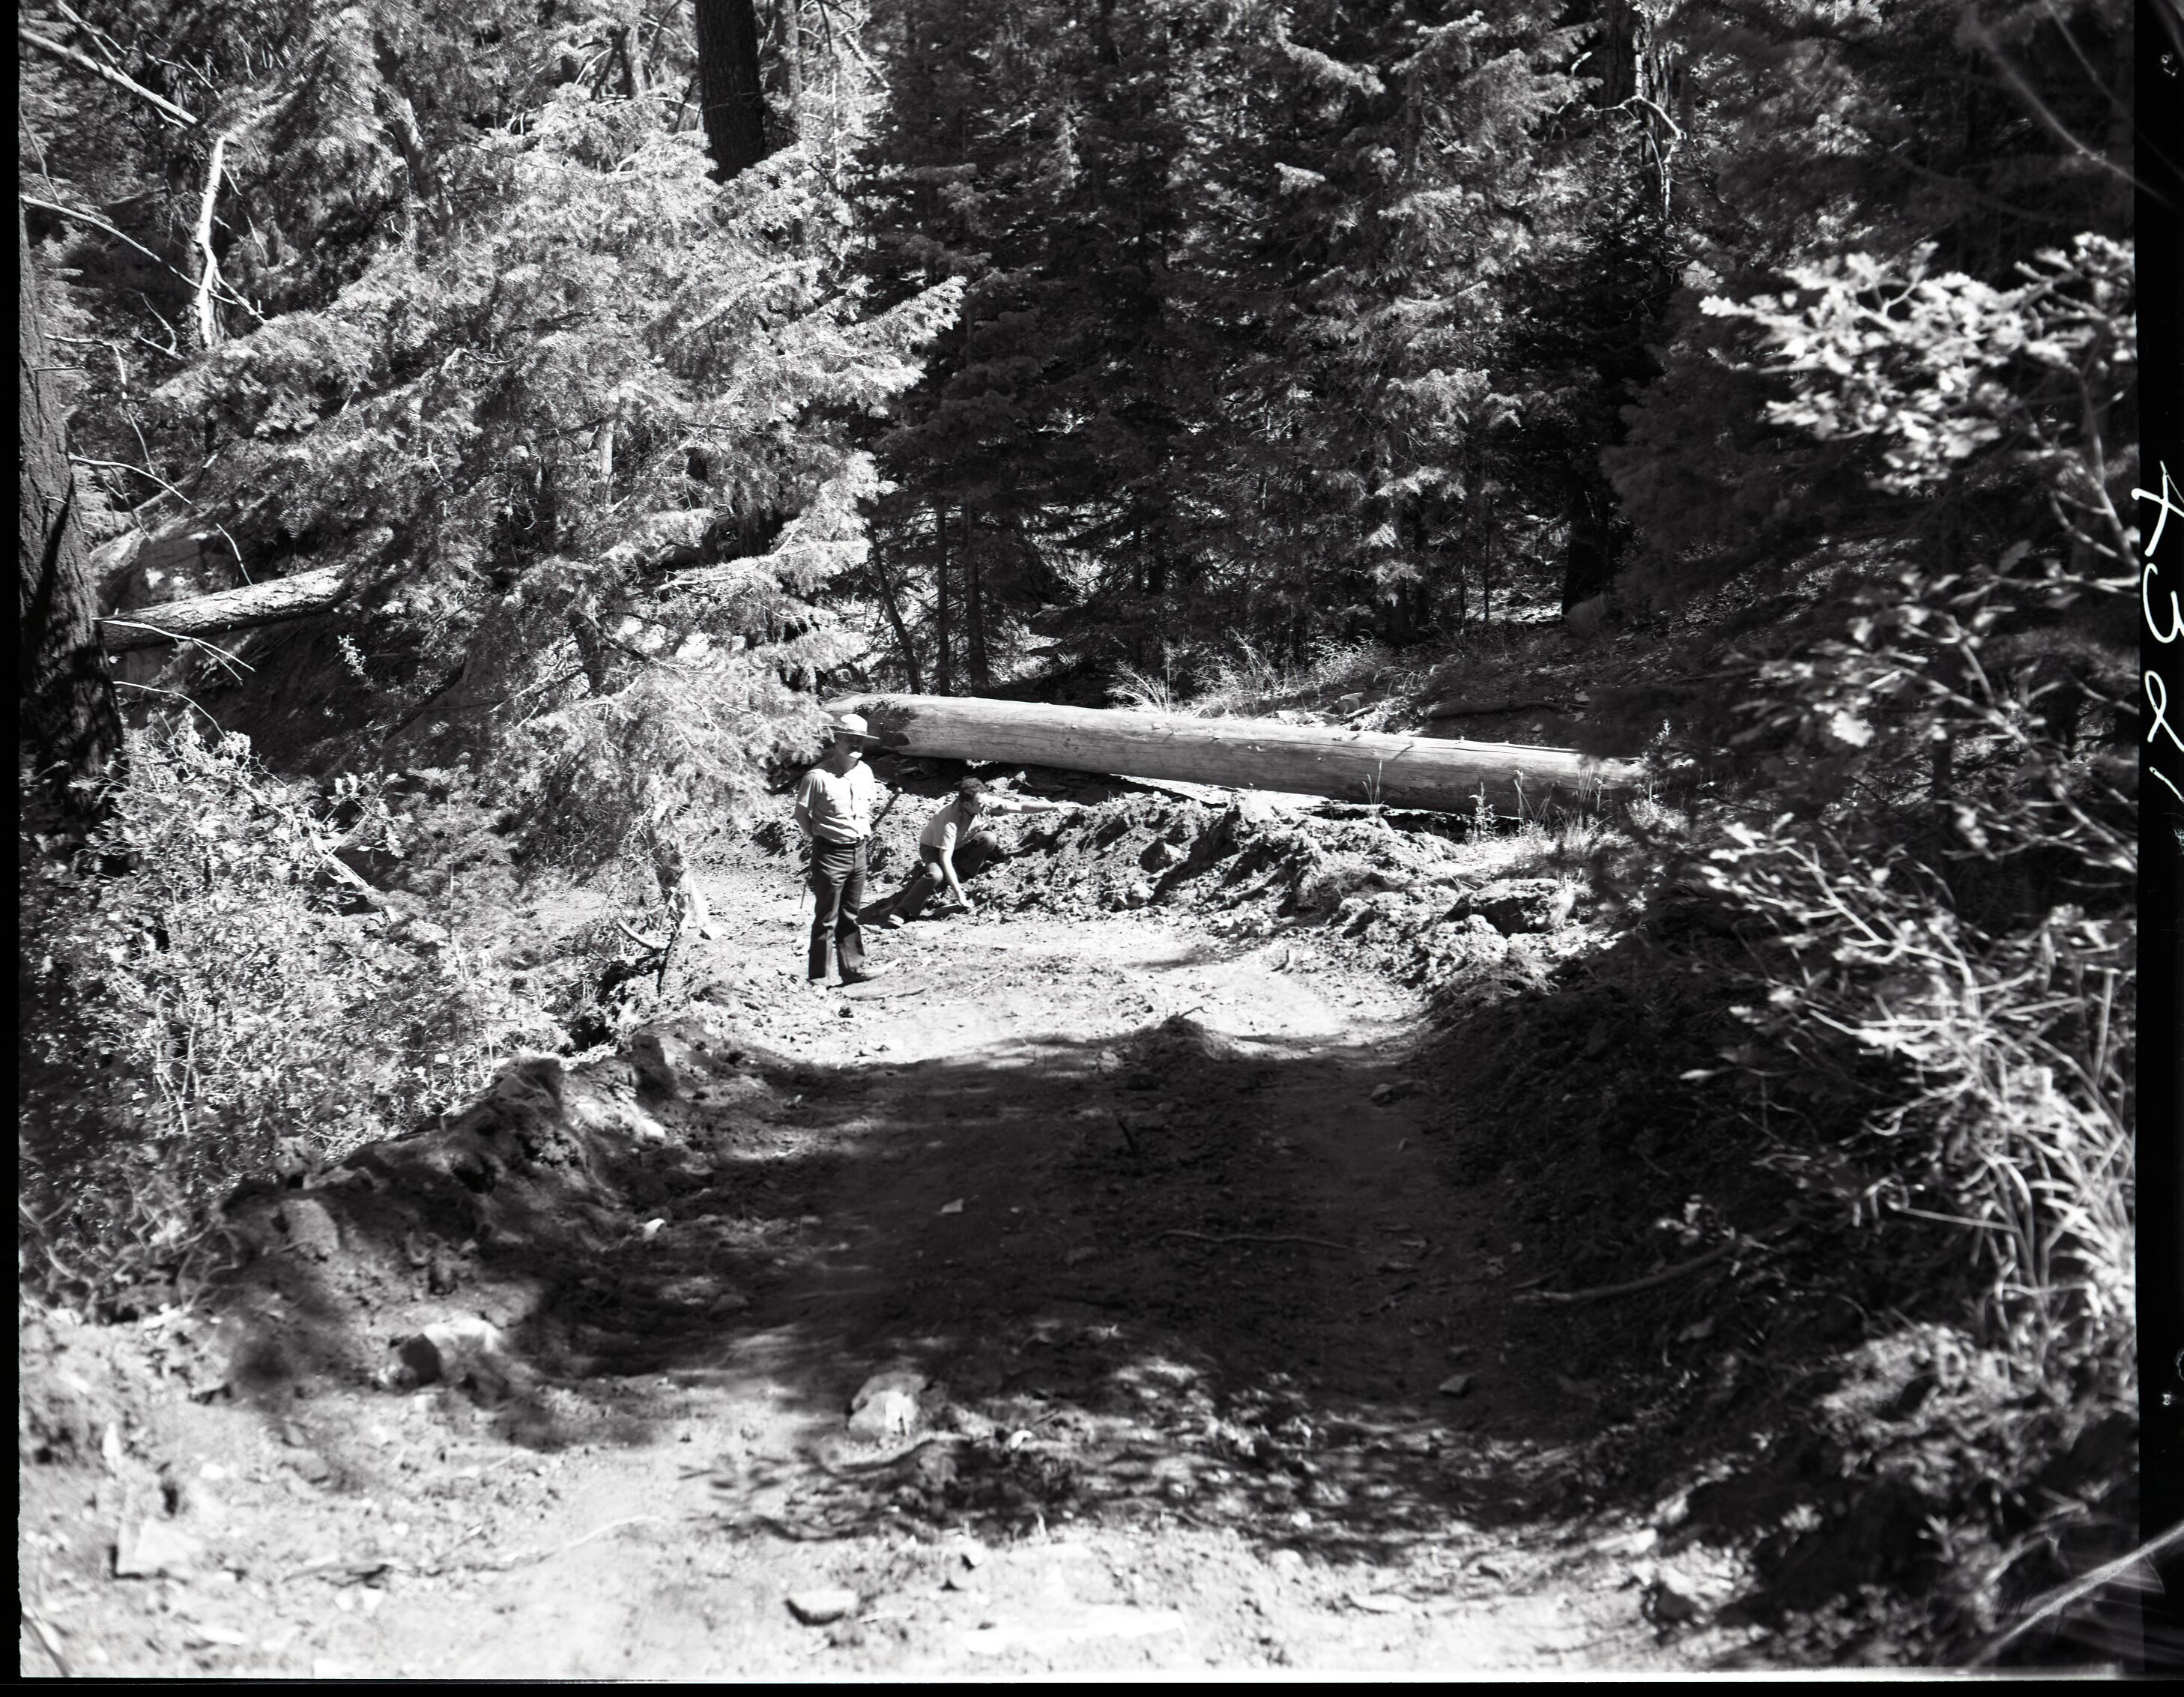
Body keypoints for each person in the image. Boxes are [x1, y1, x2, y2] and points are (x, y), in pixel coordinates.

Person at [878, 776, 1070, 926]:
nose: (985, 806)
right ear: (966, 804)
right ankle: (903, 910)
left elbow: (1020, 807)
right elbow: (945, 858)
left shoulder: (984, 803)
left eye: (985, 801)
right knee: (936, 875)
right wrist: (959, 895)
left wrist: (1053, 806)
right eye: (980, 804)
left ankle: (962, 875)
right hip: (935, 849)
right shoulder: (950, 820)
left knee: (988, 839)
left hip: (962, 844)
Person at [791, 712, 893, 986]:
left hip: (859, 852)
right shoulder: (818, 776)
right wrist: (821, 838)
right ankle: (819, 978)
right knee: (826, 917)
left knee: (850, 914)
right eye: (850, 739)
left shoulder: (866, 773)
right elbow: (802, 815)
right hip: (830, 853)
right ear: (836, 740)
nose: (856, 745)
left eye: (860, 740)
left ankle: (853, 970)